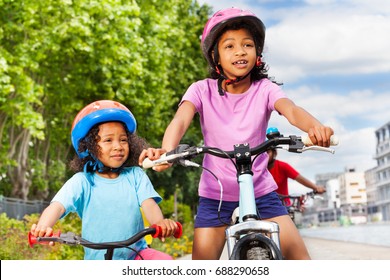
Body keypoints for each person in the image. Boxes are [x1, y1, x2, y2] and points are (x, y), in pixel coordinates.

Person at [139, 7, 334, 260]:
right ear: (215, 56)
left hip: (262, 193)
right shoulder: (201, 90)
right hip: (215, 197)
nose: (240, 51)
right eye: (229, 46)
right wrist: (167, 152)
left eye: (247, 44)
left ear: (257, 53)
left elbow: (292, 111)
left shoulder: (265, 89)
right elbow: (180, 120)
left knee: (301, 261)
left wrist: (315, 128)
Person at [30, 100, 178, 260]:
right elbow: (57, 207)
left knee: (164, 262)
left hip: (137, 255)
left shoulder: (135, 175)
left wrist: (160, 223)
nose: (118, 146)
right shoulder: (82, 181)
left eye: (123, 140)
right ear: (89, 147)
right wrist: (43, 227)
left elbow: (149, 203)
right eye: (108, 140)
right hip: (98, 260)